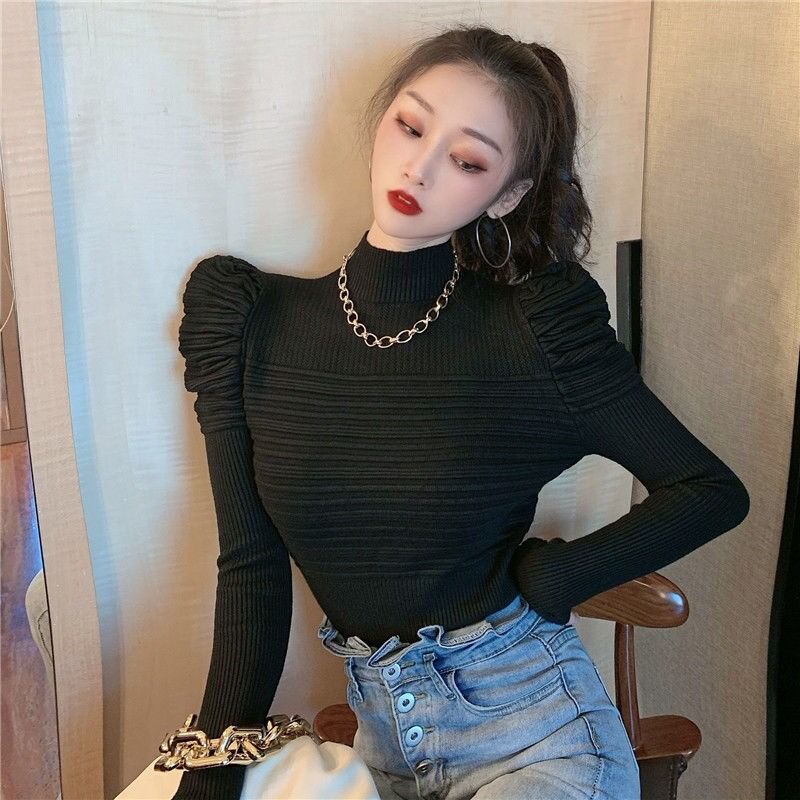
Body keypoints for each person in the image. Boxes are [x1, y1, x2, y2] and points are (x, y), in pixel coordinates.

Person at [171, 24, 750, 800]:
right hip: (382, 750)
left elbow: (709, 490)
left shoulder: (536, 332)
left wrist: (559, 574)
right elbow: (251, 568)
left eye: (469, 160)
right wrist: (210, 776)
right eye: (412, 126)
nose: (420, 166)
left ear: (505, 194)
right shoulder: (249, 321)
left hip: (537, 738)